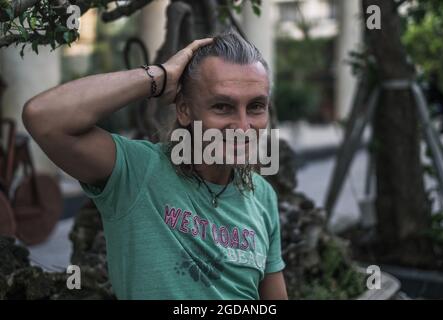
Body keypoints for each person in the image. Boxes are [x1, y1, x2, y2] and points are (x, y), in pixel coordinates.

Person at [22, 31, 288, 300]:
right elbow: (43, 117)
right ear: (184, 110)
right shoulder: (137, 171)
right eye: (222, 107)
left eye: (255, 106)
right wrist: (159, 77)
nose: (243, 127)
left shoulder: (262, 195)